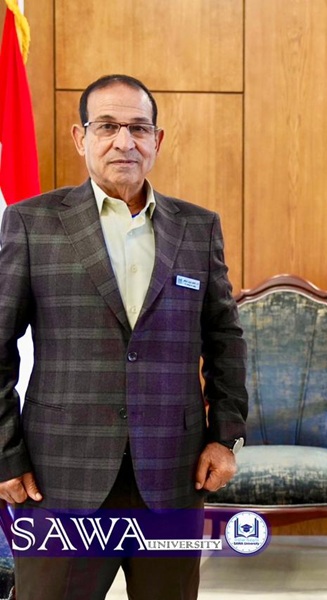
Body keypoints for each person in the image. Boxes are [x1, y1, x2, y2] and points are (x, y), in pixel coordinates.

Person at [0, 74, 248, 599]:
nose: (124, 141)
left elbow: (225, 339)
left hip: (174, 473)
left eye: (138, 128)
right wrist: (4, 453)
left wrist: (226, 438)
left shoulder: (197, 228)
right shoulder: (32, 224)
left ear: (157, 140)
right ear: (80, 137)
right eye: (107, 126)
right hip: (59, 476)